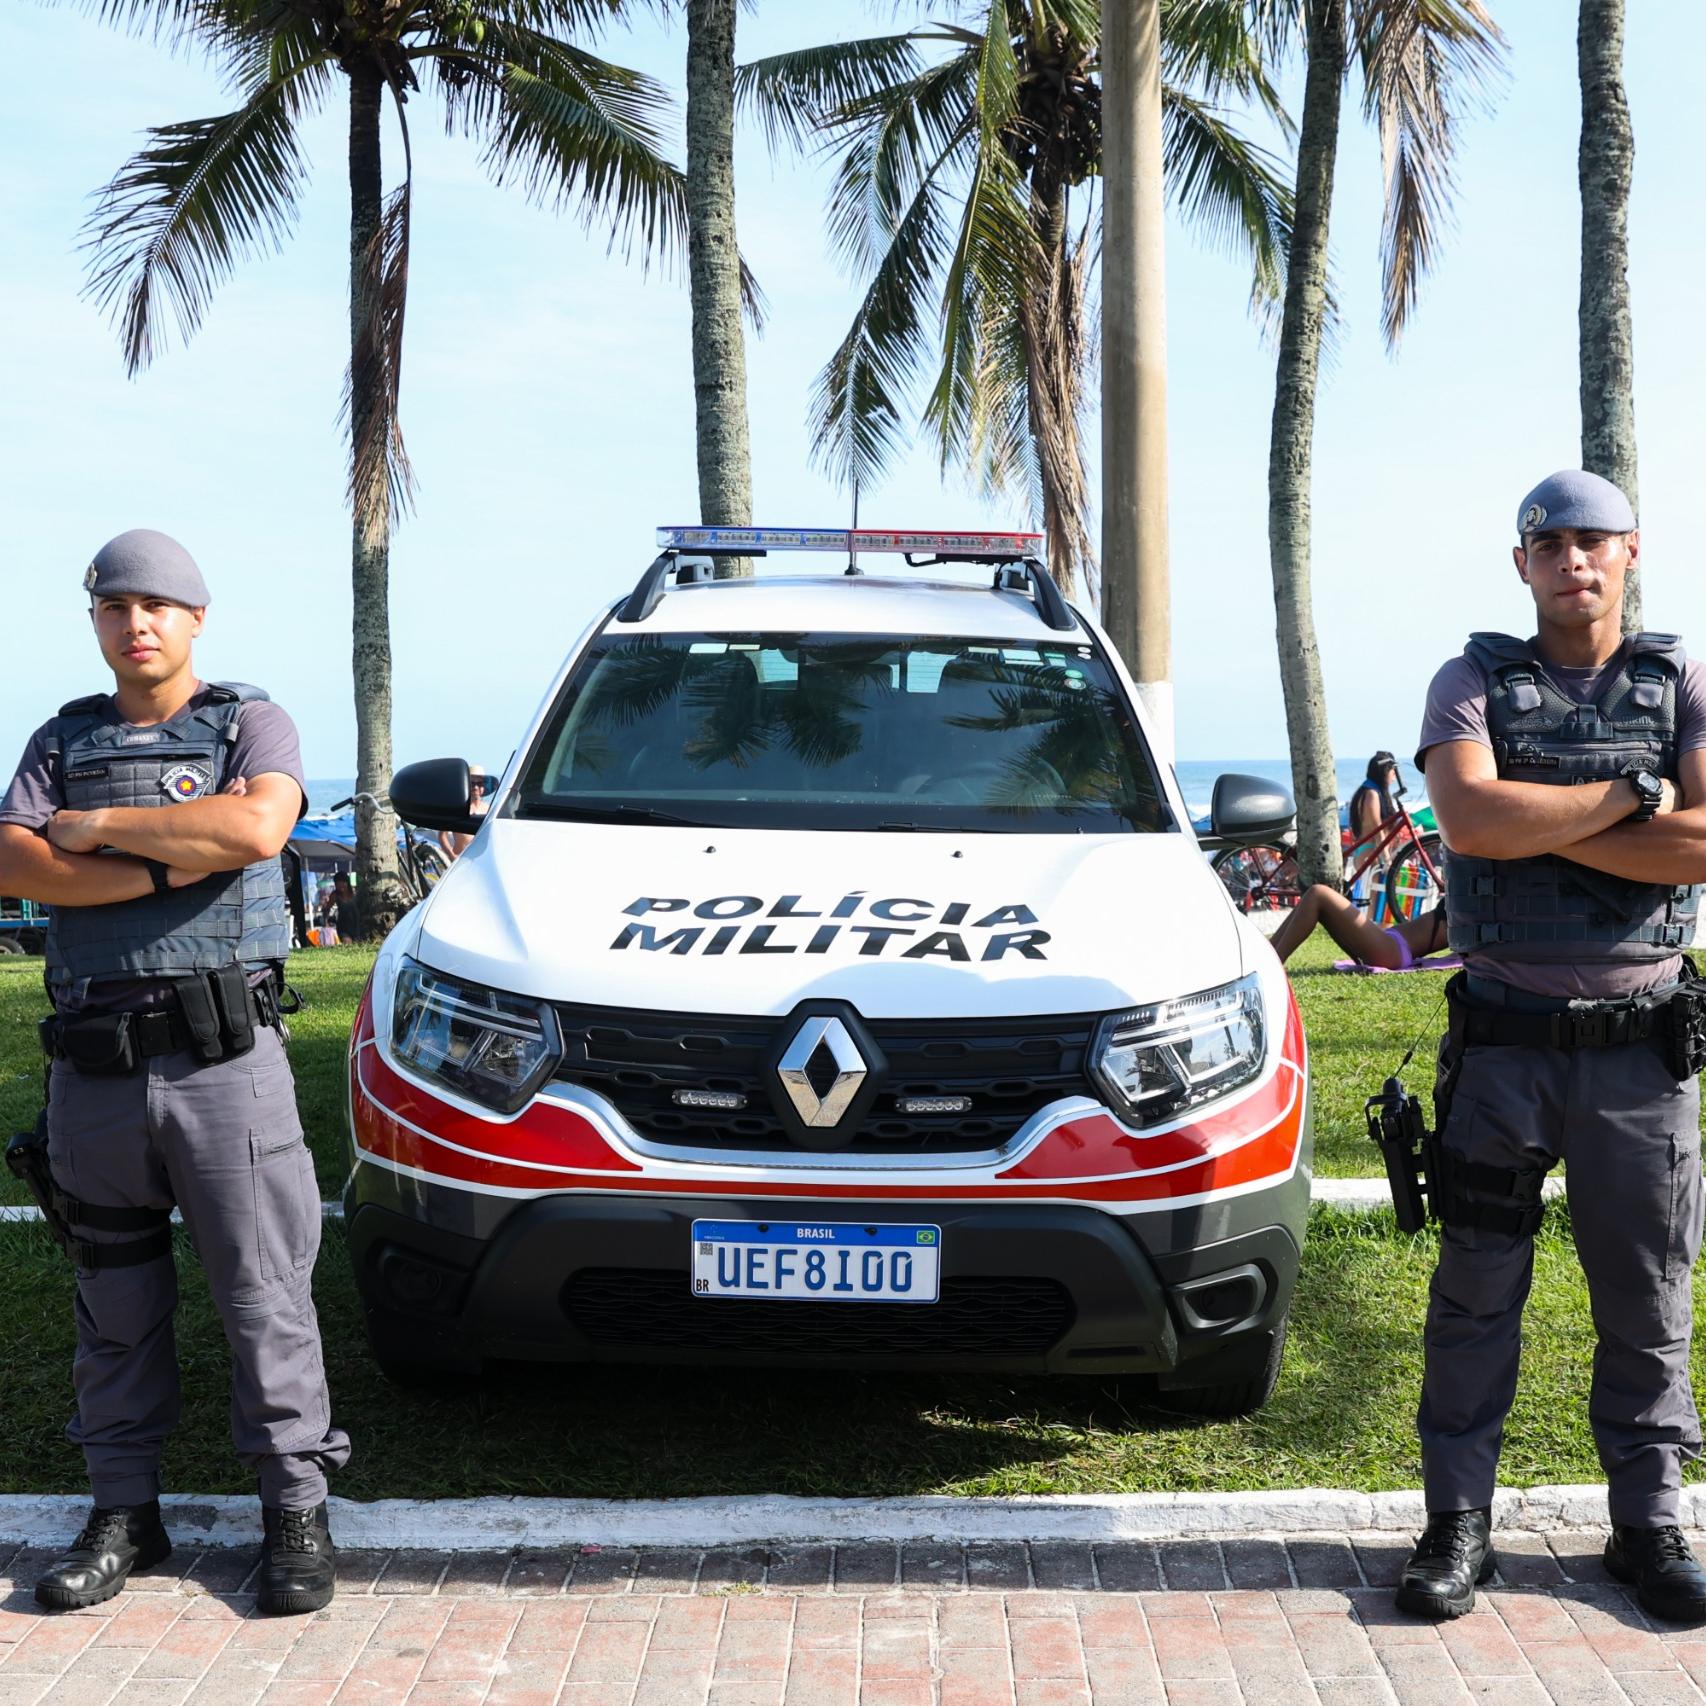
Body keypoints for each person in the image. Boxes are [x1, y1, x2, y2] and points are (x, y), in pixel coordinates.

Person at [0, 530, 348, 1616]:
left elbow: (254, 824)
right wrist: (172, 857)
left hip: (223, 1068)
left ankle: (293, 1509)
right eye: (115, 605)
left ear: (197, 617)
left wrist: (104, 835)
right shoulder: (62, 736)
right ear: (96, 621)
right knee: (113, 1301)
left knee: (264, 1297)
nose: (136, 621)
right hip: (96, 1074)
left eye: (157, 603)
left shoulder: (250, 721)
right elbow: (16, 859)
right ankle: (123, 1512)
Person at [1394, 471, 1706, 1625]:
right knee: (1474, 1290)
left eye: (1595, 541)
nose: (1573, 560)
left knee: (1645, 1291)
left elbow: (1702, 841)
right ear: (1519, 563)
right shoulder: (1469, 677)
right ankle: (1456, 1522)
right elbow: (1470, 820)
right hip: (1503, 1050)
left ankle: (1646, 1526)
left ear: (1632, 553)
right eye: (1551, 543)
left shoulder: (1678, 676)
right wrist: (1631, 795)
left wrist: (1548, 825)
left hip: (1639, 1052)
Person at [1268, 887, 1445, 968]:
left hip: (1393, 950)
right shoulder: (1464, 906)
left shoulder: (1467, 919)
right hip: (1390, 944)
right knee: (1316, 900)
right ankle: (1268, 954)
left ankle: (1273, 964)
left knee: (1318, 894)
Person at [1348, 750, 1402, 849]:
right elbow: (1377, 830)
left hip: (1375, 852)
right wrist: (1387, 860)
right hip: (1369, 852)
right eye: (1392, 770)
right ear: (1384, 772)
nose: (1395, 773)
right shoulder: (1371, 794)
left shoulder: (1375, 792)